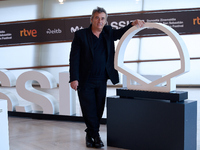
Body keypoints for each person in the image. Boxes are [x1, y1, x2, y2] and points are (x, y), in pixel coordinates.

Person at [69, 7, 145, 148]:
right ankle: (96, 136)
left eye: (103, 18)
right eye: (97, 18)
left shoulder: (108, 32)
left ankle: (90, 134)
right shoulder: (81, 35)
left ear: (106, 20)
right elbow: (74, 58)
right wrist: (74, 78)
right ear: (91, 19)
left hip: (102, 79)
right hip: (85, 80)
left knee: (98, 109)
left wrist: (132, 24)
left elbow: (120, 33)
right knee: (88, 109)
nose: (100, 21)